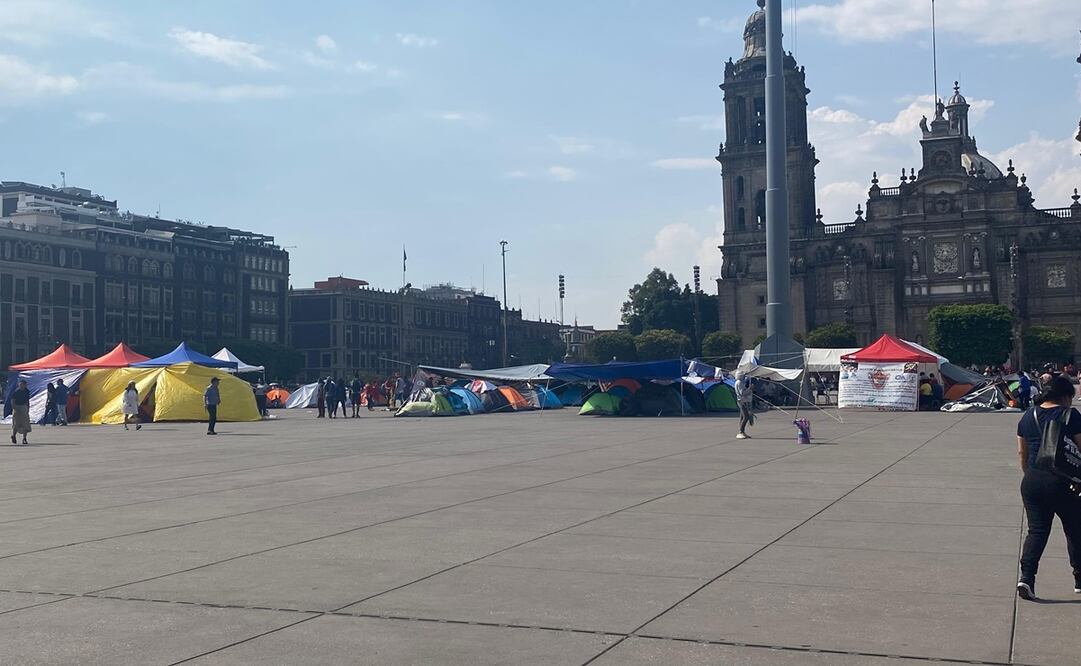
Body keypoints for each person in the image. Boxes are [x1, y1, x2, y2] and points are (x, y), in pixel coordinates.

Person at [1015, 376, 1081, 600]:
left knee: (1037, 531)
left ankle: (1026, 578)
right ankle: (1079, 579)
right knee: (1075, 529)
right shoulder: (1071, 416)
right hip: (1064, 481)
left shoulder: (1027, 416)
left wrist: (1030, 475)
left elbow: (1022, 454)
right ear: (1065, 396)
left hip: (1033, 480)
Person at [10, 379, 30, 445]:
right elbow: (12, 401)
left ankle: (24, 438)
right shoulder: (16, 392)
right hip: (17, 407)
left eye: (23, 384)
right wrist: (15, 409)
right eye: (20, 384)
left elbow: (27, 401)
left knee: (25, 424)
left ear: (25, 385)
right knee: (16, 424)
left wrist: (28, 408)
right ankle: (14, 436)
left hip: (24, 407)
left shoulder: (27, 391)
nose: (22, 386)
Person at [735, 372, 754, 439]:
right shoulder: (739, 382)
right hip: (742, 401)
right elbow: (742, 393)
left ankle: (742, 432)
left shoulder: (739, 382)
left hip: (742, 401)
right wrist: (750, 388)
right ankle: (741, 431)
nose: (744, 377)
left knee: (742, 417)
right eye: (743, 376)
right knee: (746, 416)